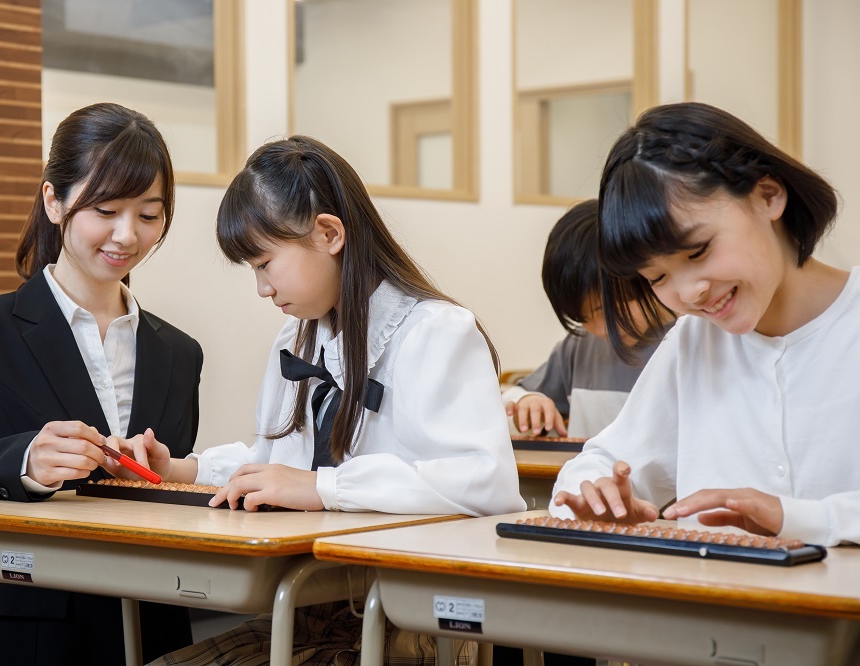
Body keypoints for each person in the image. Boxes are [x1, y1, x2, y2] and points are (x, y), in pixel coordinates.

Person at [125, 135, 525, 666]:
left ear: (329, 233)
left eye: (265, 263)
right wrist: (180, 469)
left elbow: (483, 483)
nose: (262, 289)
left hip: (418, 614)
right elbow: (277, 467)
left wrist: (324, 487)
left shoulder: (436, 331)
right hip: (319, 603)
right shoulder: (297, 340)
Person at [0, 102, 203, 665]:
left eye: (150, 215)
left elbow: (168, 500)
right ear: (53, 201)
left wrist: (164, 475)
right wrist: (26, 462)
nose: (127, 235)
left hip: (155, 627)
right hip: (35, 636)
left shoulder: (179, 352)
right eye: (105, 209)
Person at [551, 101, 859, 548]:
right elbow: (606, 459)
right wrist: (597, 494)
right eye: (656, 277)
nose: (689, 293)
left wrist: (802, 518)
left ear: (767, 196)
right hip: (716, 610)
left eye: (697, 252)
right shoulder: (693, 342)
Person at [502, 199, 673, 438]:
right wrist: (527, 400)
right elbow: (515, 395)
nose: (600, 329)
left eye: (605, 309)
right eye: (583, 317)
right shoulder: (578, 347)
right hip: (585, 475)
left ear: (643, 274)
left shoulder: (692, 340)